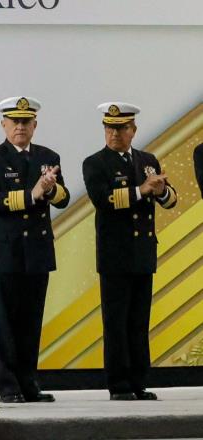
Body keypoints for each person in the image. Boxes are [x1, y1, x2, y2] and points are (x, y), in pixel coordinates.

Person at [0, 96, 70, 403]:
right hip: (3, 253)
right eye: (14, 122)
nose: (20, 127)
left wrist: (52, 188)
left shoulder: (48, 156)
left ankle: (30, 383)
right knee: (5, 322)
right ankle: (7, 386)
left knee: (31, 322)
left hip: (37, 251)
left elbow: (64, 198)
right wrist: (33, 193)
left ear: (35, 125)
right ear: (3, 124)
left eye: (25, 122)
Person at [82, 102, 177, 401]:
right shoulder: (95, 163)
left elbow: (171, 200)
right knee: (116, 322)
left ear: (133, 130)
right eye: (109, 127)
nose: (115, 133)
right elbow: (103, 200)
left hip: (142, 253)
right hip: (115, 255)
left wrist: (160, 190)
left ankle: (139, 381)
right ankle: (119, 384)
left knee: (139, 322)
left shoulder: (147, 160)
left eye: (121, 128)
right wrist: (141, 191)